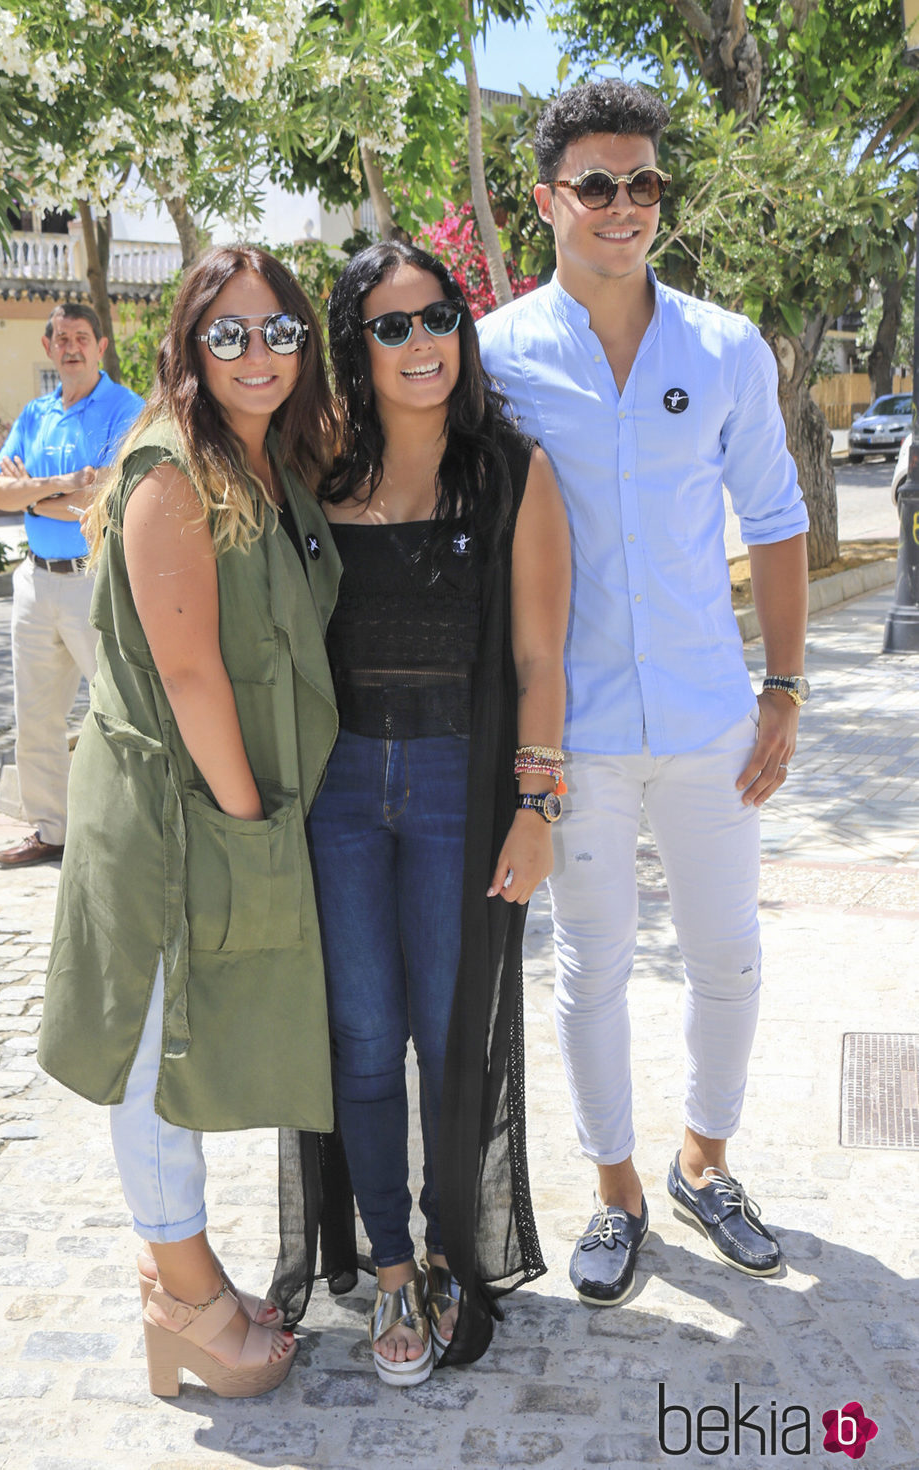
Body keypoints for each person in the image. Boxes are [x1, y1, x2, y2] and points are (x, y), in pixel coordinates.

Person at [478, 79, 809, 1308]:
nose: (627, 207)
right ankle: (613, 1189)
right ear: (548, 199)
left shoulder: (724, 348)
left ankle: (702, 1163)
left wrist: (780, 686)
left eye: (646, 183)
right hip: (573, 732)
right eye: (600, 184)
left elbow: (776, 520)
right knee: (591, 963)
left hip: (711, 714)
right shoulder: (496, 357)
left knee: (727, 951)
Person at [38, 245, 341, 1399]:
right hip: (181, 804)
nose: (256, 353)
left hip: (220, 797)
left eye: (276, 331)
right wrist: (250, 825)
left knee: (194, 1030)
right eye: (228, 334)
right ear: (187, 347)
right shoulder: (172, 469)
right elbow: (191, 672)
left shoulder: (266, 459)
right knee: (156, 1043)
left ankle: (185, 1276)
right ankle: (186, 1294)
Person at [274, 241, 570, 1384]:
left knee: (451, 1039)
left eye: (435, 317)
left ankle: (452, 1252)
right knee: (358, 1034)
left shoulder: (509, 471)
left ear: (462, 324)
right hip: (338, 787)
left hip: (459, 784)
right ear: (355, 346)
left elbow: (542, 657)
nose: (419, 344)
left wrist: (535, 806)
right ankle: (386, 1260)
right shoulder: (315, 468)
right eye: (389, 327)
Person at [0, 304, 144, 868]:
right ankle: (52, 830)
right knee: (37, 716)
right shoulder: (35, 413)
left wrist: (30, 492)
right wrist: (60, 487)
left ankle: (134, 830)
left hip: (93, 579)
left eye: (82, 338)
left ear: (101, 346)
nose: (71, 347)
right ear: (48, 348)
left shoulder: (126, 409)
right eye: (61, 338)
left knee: (122, 710)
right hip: (35, 583)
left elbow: (105, 499)